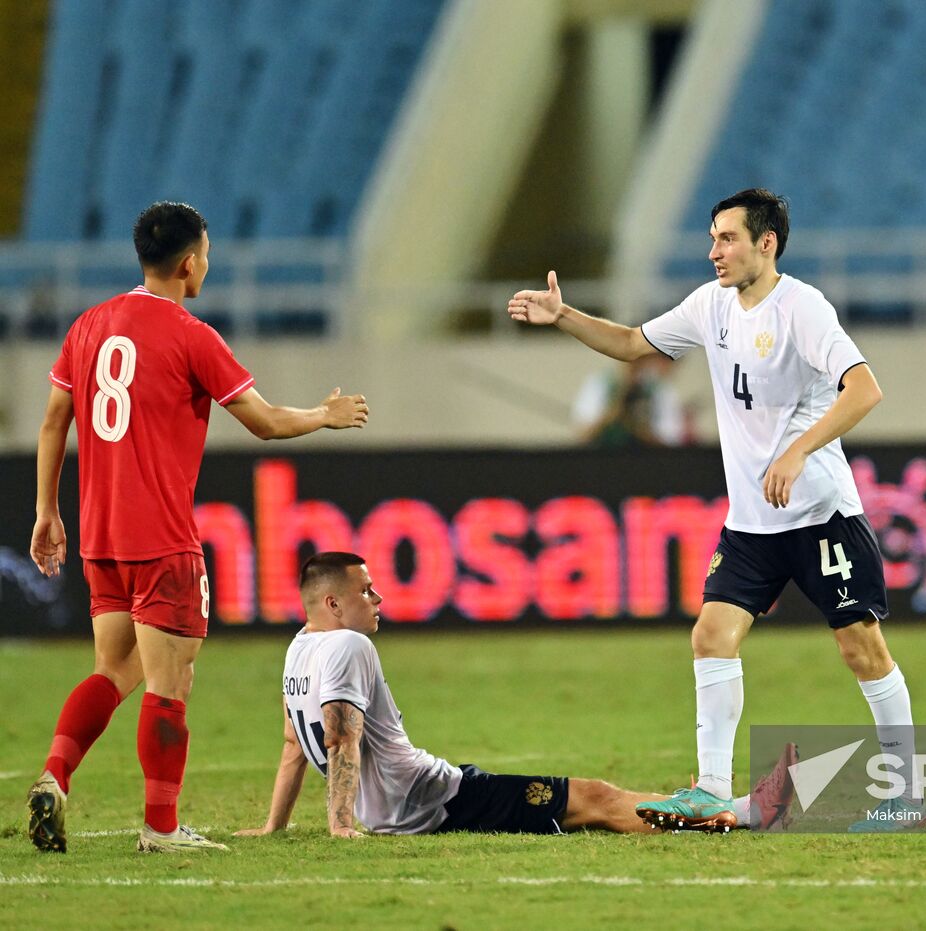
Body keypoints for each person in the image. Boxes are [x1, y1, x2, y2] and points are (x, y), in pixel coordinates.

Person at [509, 188, 917, 832]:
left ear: (766, 243)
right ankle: (709, 790)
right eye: (712, 237)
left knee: (861, 649)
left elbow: (864, 388)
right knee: (711, 635)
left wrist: (798, 452)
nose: (714, 251)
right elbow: (630, 343)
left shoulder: (802, 308)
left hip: (821, 516)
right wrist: (564, 316)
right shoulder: (710, 306)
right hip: (753, 524)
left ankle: (906, 790)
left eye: (727, 238)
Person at [26, 202, 369, 855]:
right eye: (206, 254)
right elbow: (264, 421)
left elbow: (52, 420)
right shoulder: (190, 334)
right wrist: (325, 414)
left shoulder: (88, 325)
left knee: (113, 667)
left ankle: (55, 774)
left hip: (100, 535)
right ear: (188, 263)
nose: (207, 264)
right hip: (161, 536)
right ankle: (159, 827)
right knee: (169, 681)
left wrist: (47, 510)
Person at [236, 552, 798, 838]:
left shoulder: (299, 647)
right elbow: (340, 740)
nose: (379, 598)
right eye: (365, 590)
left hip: (407, 801)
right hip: (432, 799)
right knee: (595, 800)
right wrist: (339, 827)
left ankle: (723, 808)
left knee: (591, 803)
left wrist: (274, 826)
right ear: (333, 604)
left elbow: (294, 744)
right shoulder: (348, 647)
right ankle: (741, 814)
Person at [572, 353, 689, 447]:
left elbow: (671, 442)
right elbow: (582, 436)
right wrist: (613, 414)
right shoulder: (599, 384)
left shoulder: (660, 390)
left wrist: (640, 429)